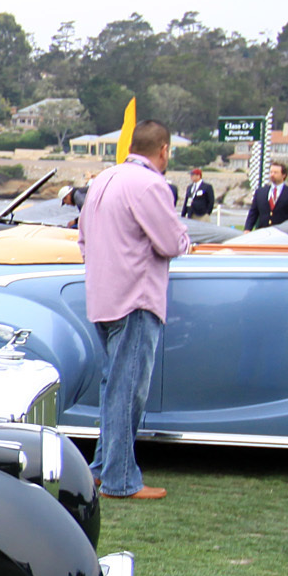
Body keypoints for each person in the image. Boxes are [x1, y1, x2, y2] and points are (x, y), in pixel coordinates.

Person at [78, 120, 191, 500]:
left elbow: (82, 239)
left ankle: (101, 467)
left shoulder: (102, 180)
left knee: (113, 385)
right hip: (136, 297)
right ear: (163, 151)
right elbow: (172, 242)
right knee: (129, 390)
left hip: (101, 295)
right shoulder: (150, 184)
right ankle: (121, 480)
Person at [247, 162, 288, 229]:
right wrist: (248, 229)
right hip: (262, 232)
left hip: (281, 233)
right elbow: (253, 212)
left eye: (275, 173)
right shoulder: (260, 192)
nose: (272, 175)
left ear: (283, 175)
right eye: (271, 172)